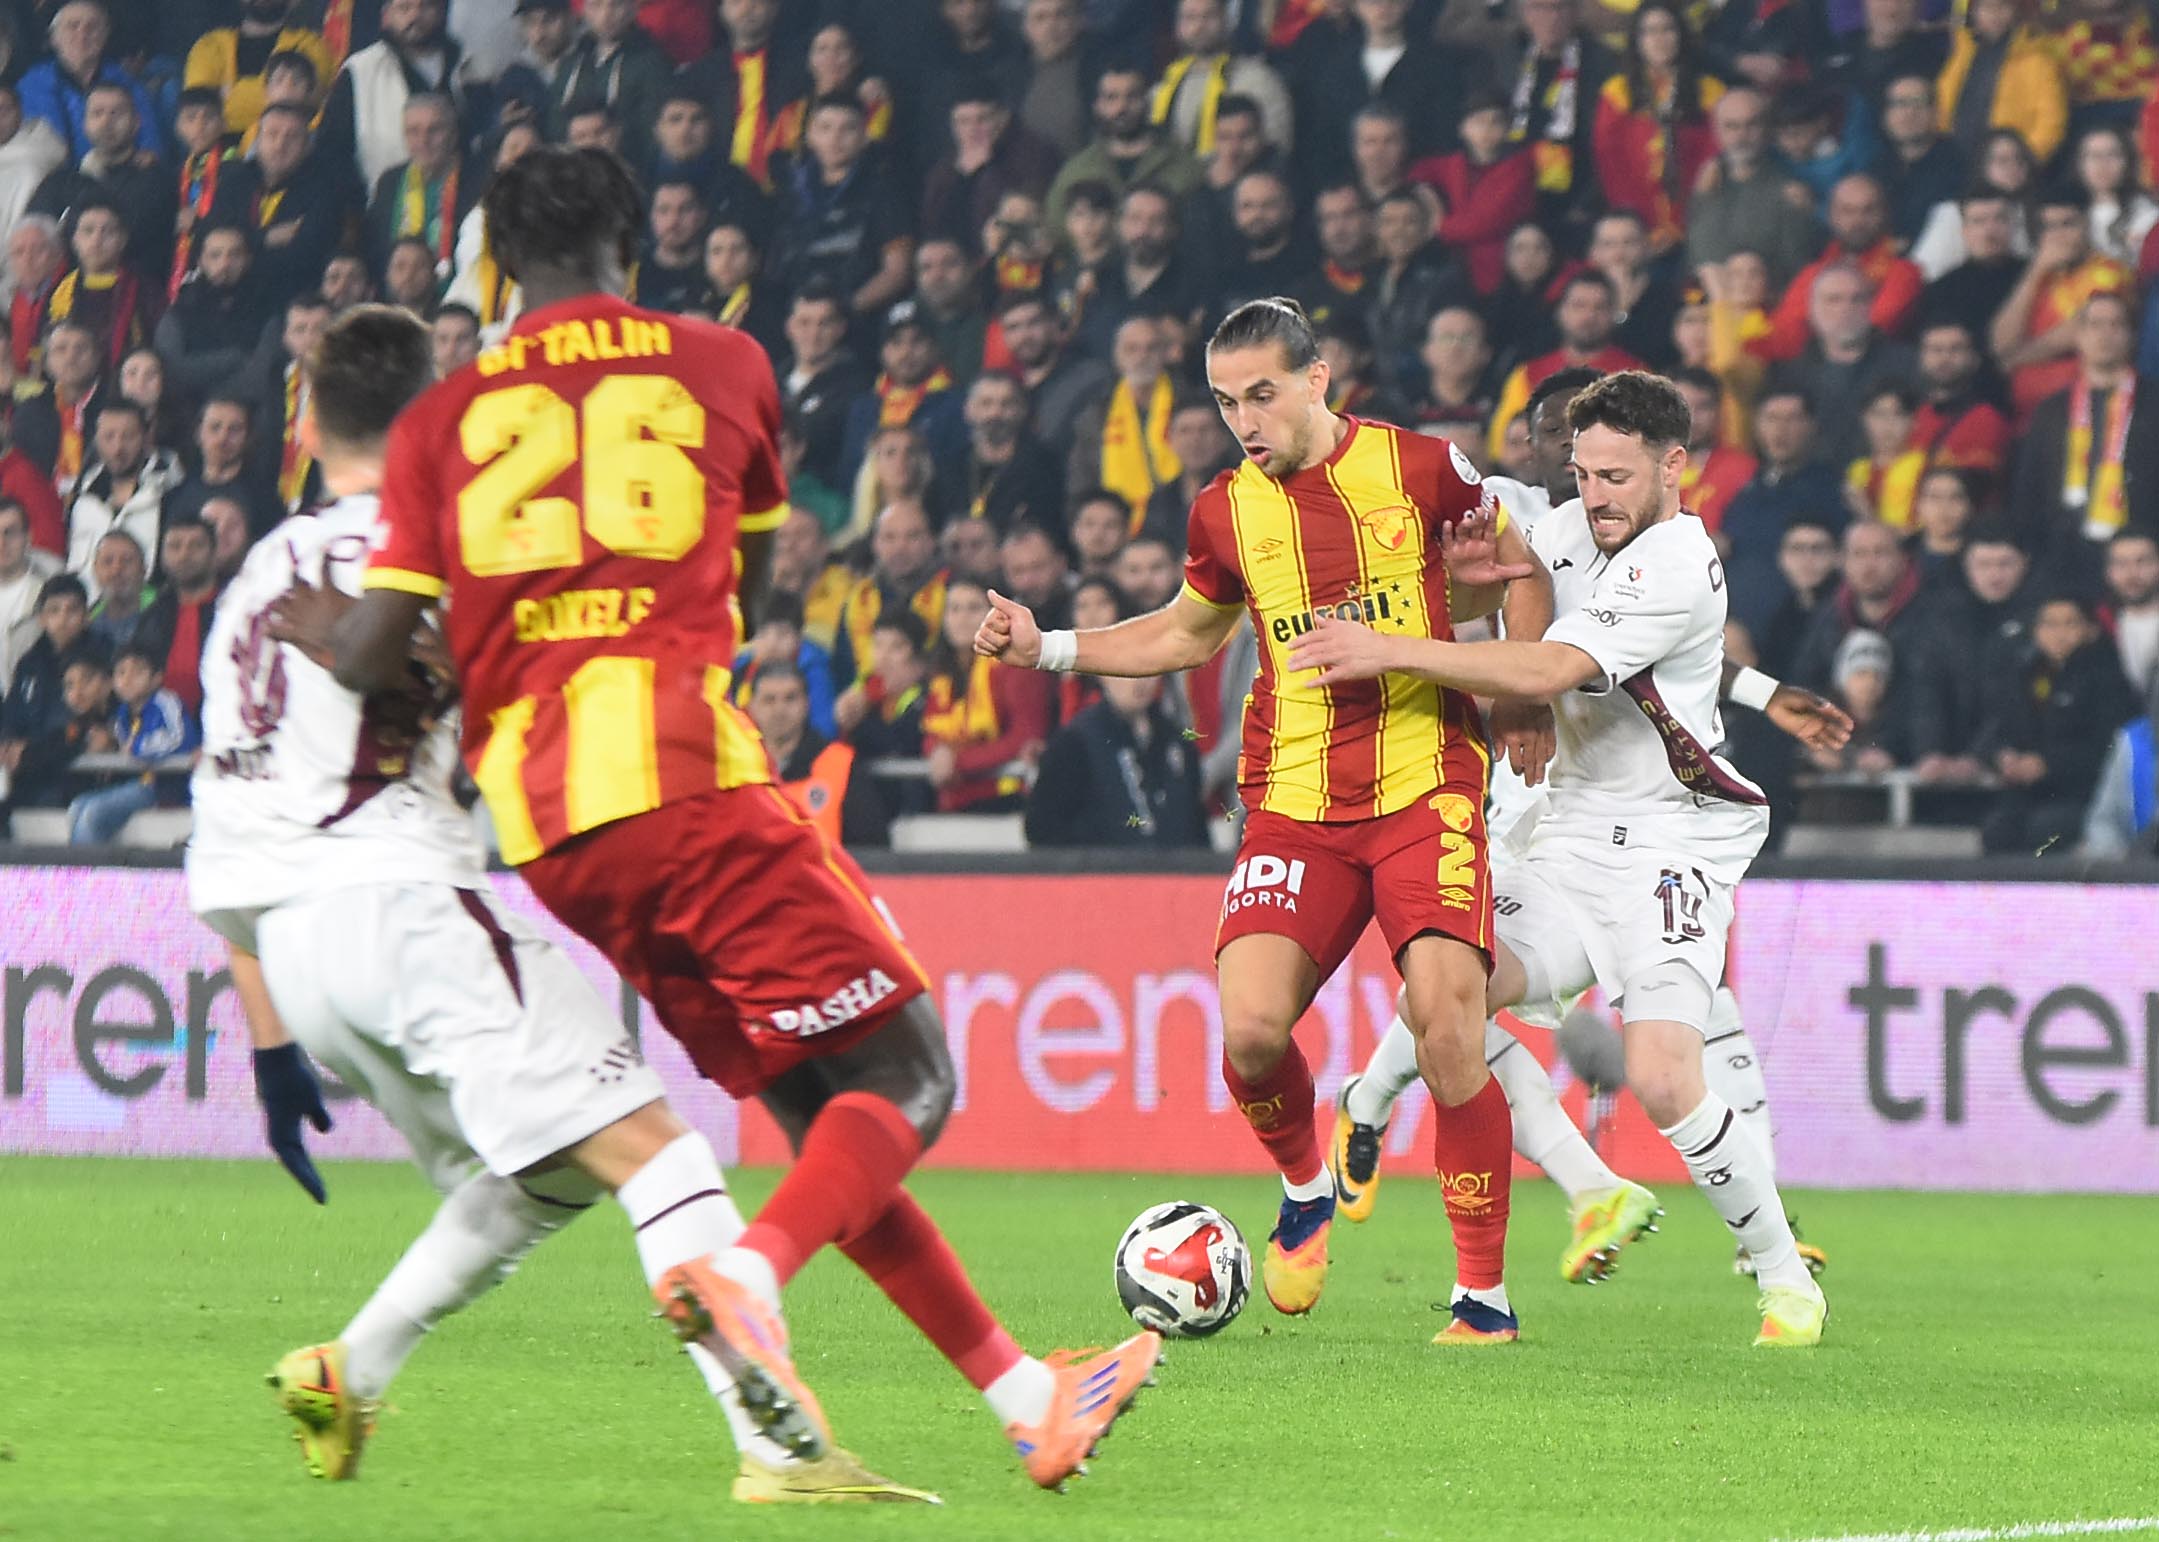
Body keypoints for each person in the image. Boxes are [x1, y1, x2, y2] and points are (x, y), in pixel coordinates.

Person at [270, 148, 1158, 1490]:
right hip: (686, 781)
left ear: (495, 267)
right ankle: (744, 1274)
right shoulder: (722, 363)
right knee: (911, 1079)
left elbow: (372, 654)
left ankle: (1028, 1395)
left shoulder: (441, 419)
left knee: (825, 1115)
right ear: (633, 244)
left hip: (552, 836)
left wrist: (333, 624)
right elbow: (741, 580)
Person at [975, 295, 1552, 1339]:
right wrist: (1046, 647)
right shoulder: (1221, 511)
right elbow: (1186, 634)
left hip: (1424, 784)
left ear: (1316, 381)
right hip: (1292, 801)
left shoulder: (1422, 467)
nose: (1243, 421)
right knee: (1247, 1035)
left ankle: (1480, 1298)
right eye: (1224, 401)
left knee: (1446, 1029)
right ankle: (1303, 1187)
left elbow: (1518, 574)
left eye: (1261, 395)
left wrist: (1522, 695)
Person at [1287, 370, 1832, 1346]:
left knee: (1662, 1076)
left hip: (1670, 844)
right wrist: (1468, 594)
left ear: (1672, 467)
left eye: (1615, 477)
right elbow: (1495, 583)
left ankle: (1781, 1273)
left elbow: (1550, 665)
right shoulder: (1567, 524)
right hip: (1567, 832)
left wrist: (1390, 649)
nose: (1594, 496)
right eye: (1581, 474)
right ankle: (1571, 1189)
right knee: (1441, 995)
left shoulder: (1677, 561)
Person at [1025, 671, 1208, 847]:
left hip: (1174, 867)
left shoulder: (1176, 742)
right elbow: (1043, 832)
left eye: (1149, 666)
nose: (1140, 679)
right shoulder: (1074, 743)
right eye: (1127, 667)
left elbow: (1198, 833)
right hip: (1101, 867)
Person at [922, 576, 1053, 813]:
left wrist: (958, 762)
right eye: (954, 609)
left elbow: (1025, 736)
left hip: (1008, 800)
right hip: (955, 801)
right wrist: (937, 751)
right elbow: (932, 731)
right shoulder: (941, 672)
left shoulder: (1018, 665)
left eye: (973, 608)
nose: (961, 618)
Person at [65, 639, 194, 842]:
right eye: (121, 672)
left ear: (156, 678)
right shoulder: (121, 715)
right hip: (135, 784)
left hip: (164, 786)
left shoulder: (166, 702)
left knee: (93, 814)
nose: (127, 680)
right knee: (77, 806)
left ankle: (86, 864)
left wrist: (136, 747)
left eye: (138, 672)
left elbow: (179, 739)